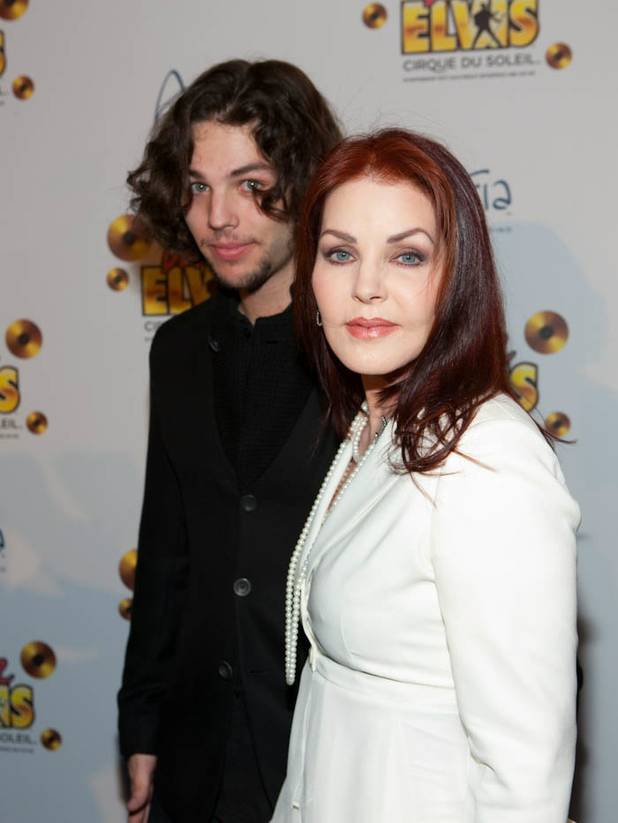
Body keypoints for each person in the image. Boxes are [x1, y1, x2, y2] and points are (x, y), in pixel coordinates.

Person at [272, 128, 580, 822]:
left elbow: (525, 774)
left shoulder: (487, 456)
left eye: (406, 256)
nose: (366, 287)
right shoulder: (372, 423)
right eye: (340, 253)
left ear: (455, 279)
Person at [117, 59, 342, 823]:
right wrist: (142, 724)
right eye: (197, 186)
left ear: (305, 184)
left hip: (324, 760)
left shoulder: (366, 353)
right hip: (197, 756)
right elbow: (167, 550)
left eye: (251, 185)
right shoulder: (177, 350)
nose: (217, 217)